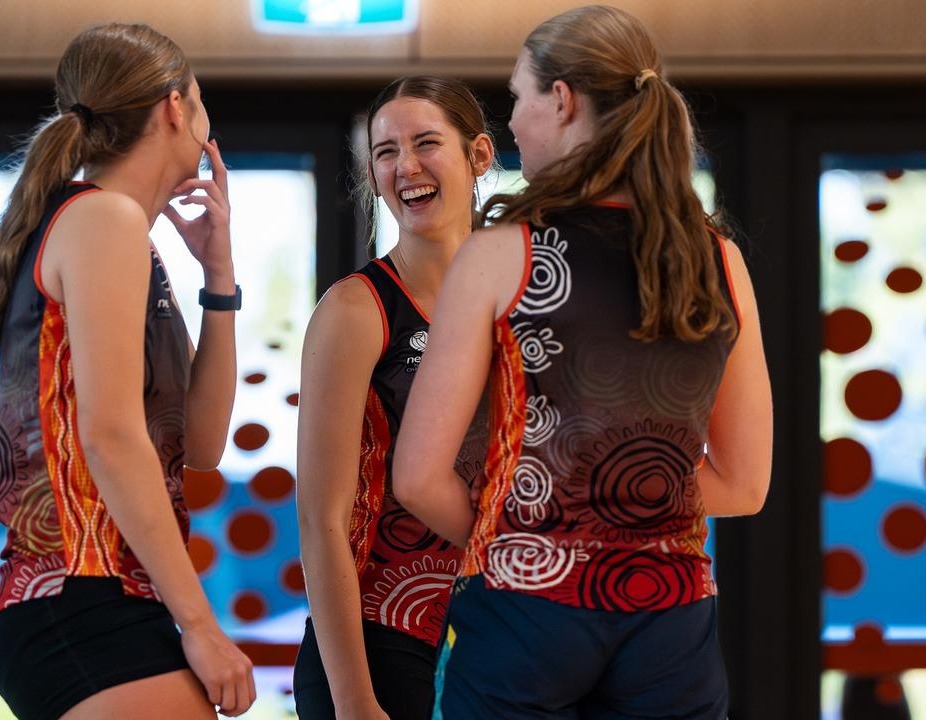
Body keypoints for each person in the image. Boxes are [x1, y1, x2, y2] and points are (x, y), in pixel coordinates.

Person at [391, 6, 773, 719]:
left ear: (561, 100)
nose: (512, 121)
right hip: (672, 622)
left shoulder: (504, 253)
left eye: (517, 98)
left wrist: (521, 535)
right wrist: (628, 511)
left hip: (524, 617)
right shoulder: (719, 261)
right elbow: (745, 485)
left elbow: (416, 477)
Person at [0, 23, 254, 720]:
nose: (205, 122)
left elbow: (199, 444)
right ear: (173, 108)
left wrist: (218, 279)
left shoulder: (128, 238)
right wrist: (201, 625)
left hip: (98, 598)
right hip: (78, 595)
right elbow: (109, 437)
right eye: (200, 103)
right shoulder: (101, 222)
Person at [293, 76, 494, 720]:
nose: (405, 166)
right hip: (378, 643)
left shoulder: (516, 303)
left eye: (426, 143)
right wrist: (354, 699)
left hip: (494, 635)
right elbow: (321, 521)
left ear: (479, 157)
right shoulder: (356, 310)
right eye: (385, 151)